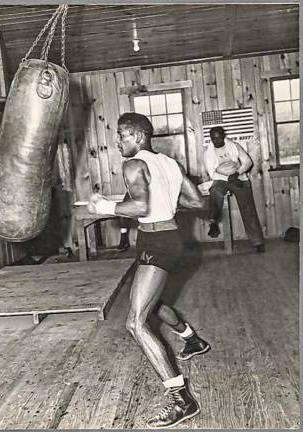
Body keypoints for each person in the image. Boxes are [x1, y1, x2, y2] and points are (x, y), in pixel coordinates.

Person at [88, 112, 210, 428]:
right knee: (148, 301)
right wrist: (166, 205)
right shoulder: (169, 163)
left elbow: (140, 207)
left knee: (135, 322)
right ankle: (191, 339)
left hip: (157, 242)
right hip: (166, 237)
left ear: (139, 137)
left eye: (122, 135)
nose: (117, 142)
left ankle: (182, 401)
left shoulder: (133, 164)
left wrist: (103, 207)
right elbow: (197, 201)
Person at [203, 126, 265, 253]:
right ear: (211, 139)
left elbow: (248, 162)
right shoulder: (208, 153)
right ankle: (213, 222)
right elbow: (212, 173)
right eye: (214, 138)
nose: (217, 140)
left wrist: (237, 174)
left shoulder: (234, 146)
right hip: (221, 179)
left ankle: (257, 242)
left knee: (248, 209)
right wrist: (228, 179)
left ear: (223, 136)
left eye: (219, 137)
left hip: (238, 177)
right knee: (214, 192)